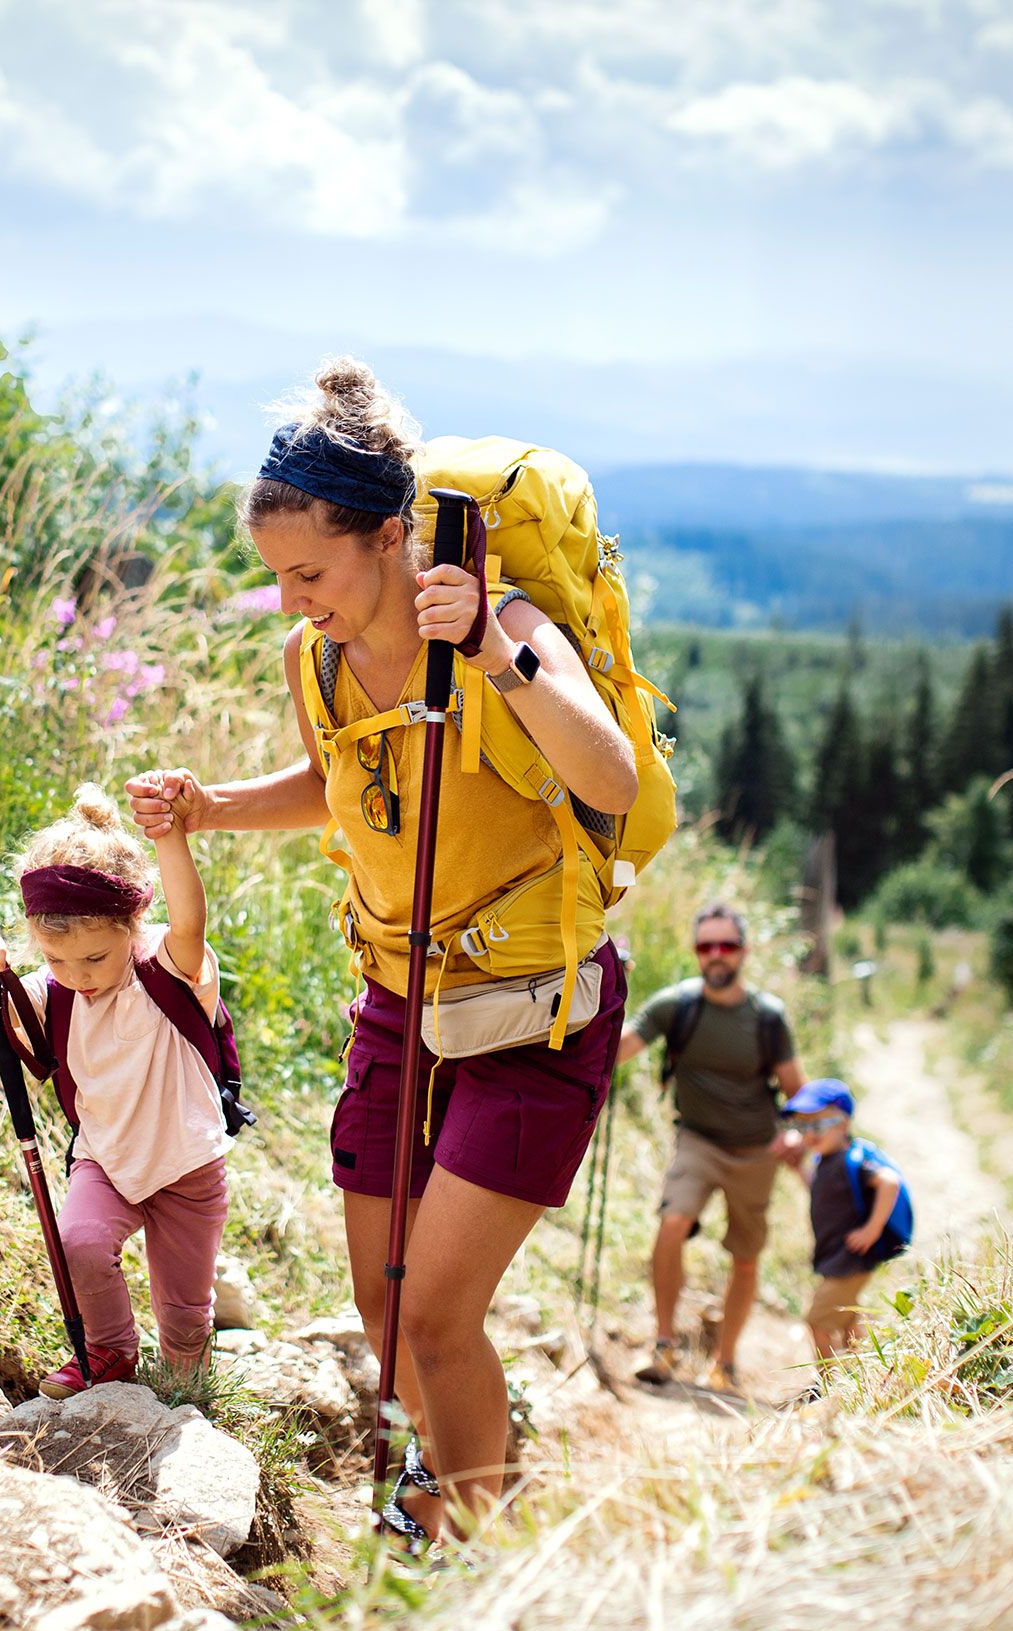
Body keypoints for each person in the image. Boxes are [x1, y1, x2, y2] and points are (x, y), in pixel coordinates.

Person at [126, 358, 638, 1548]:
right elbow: (339, 783)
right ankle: (452, 1485)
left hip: (532, 1009)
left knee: (443, 1313)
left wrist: (503, 662)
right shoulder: (318, 658)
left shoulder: (504, 624)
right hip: (399, 1000)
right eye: (278, 578)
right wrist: (211, 807)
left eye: (310, 572)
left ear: (393, 536)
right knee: (385, 1303)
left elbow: (606, 773)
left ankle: (479, 1551)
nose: (296, 599)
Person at [0, 784, 230, 1398]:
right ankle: (110, 1353)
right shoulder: (56, 991)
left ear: (134, 926)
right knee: (79, 1242)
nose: (78, 977)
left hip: (187, 1164)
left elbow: (190, 919)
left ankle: (188, 1386)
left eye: (96, 959)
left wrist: (169, 836)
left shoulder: (167, 967)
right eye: (56, 960)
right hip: (105, 1156)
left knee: (185, 1312)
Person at [616, 904, 806, 1393]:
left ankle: (725, 1362)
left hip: (756, 1151)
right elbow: (618, 1048)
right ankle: (663, 1345)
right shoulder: (675, 1006)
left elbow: (797, 1093)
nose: (716, 956)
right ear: (696, 953)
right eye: (706, 947)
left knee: (745, 1257)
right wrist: (605, 992)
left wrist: (796, 1132)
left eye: (726, 946)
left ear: (743, 951)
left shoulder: (767, 1017)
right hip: (697, 1140)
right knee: (672, 1222)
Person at [774, 1079, 911, 1358]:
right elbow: (820, 1193)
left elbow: (889, 1182)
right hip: (837, 1256)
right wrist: (799, 1169)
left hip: (852, 1258)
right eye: (802, 1127)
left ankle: (827, 1385)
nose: (810, 1135)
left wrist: (872, 1230)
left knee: (816, 1321)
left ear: (844, 1124)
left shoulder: (854, 1159)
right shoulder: (825, 1161)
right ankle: (861, 1373)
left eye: (818, 1126)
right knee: (848, 1318)